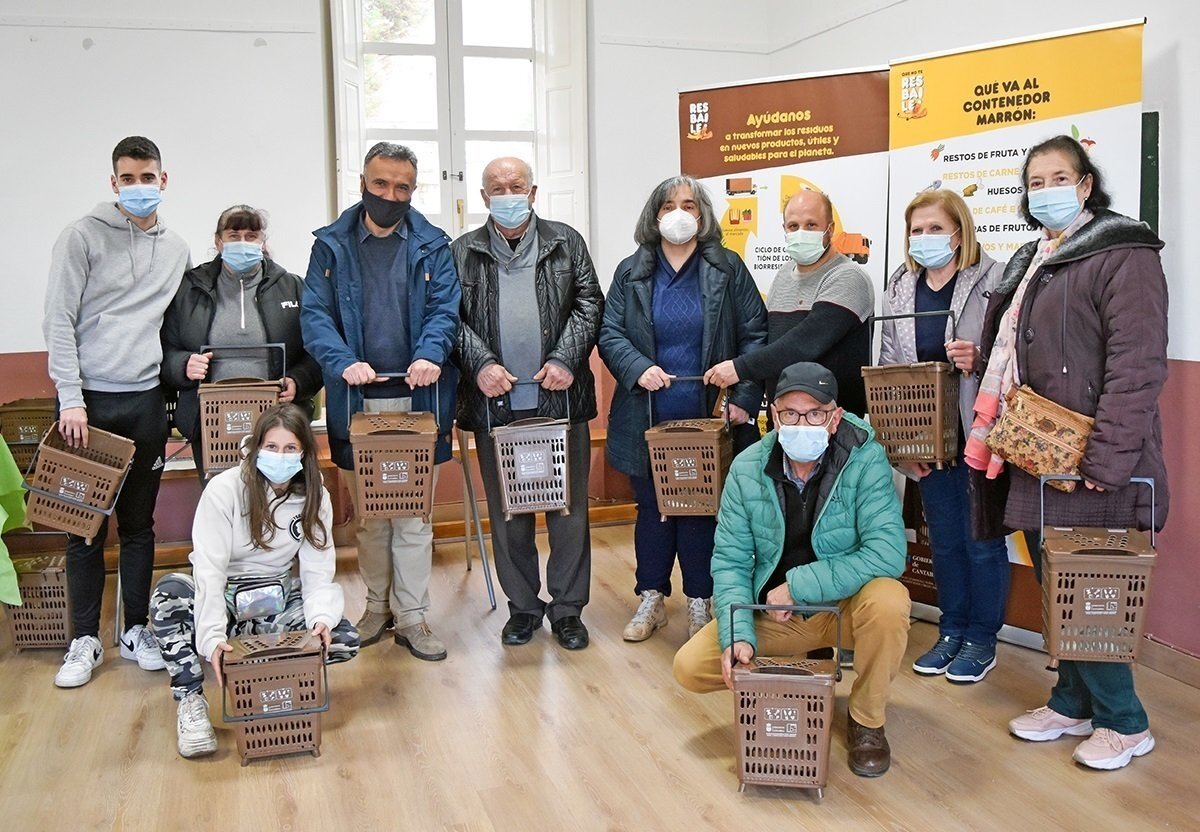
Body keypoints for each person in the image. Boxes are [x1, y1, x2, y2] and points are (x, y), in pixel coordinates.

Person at [964, 135, 1169, 771]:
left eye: (1060, 178)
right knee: (1059, 579)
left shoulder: (1124, 253)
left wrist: (1105, 461)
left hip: (1092, 459)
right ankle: (1072, 700)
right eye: (1035, 181)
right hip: (1040, 450)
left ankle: (1125, 722)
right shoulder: (1036, 257)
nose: (1046, 190)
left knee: (1091, 587)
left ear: (1086, 185)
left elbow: (1137, 364)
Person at [673, 362, 910, 777]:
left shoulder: (865, 457)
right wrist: (738, 635)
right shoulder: (747, 467)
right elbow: (730, 561)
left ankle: (867, 720)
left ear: (835, 417)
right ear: (774, 417)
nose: (803, 424)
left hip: (843, 608)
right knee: (689, 667)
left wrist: (798, 586)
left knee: (890, 602)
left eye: (815, 413)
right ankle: (798, 672)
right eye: (790, 414)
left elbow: (888, 553)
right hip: (777, 615)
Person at [301, 142, 460, 661]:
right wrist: (341, 360)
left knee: (412, 517)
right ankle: (376, 608)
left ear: (413, 190)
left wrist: (431, 353)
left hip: (418, 402)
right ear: (362, 183)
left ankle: (412, 616)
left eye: (402, 188)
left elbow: (445, 310)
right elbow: (314, 316)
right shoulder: (331, 246)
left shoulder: (433, 245)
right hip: (356, 402)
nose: (390, 195)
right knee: (370, 517)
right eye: (380, 184)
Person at [44, 136, 191, 688]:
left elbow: (176, 324)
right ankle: (84, 639)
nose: (138, 187)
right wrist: (71, 398)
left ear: (163, 180)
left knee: (137, 525)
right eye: (128, 179)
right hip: (87, 405)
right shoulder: (80, 236)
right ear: (113, 183)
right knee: (83, 528)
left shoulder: (175, 249)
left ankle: (135, 629)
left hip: (145, 399)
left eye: (147, 177)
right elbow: (58, 320)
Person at [599, 175, 766, 643]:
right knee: (652, 508)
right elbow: (610, 333)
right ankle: (651, 597)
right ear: (654, 216)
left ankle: (699, 600)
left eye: (689, 205)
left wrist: (744, 399)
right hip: (645, 414)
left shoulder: (728, 268)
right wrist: (637, 368)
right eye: (669, 205)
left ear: (702, 214)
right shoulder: (630, 271)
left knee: (700, 510)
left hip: (707, 417)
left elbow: (755, 335)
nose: (679, 213)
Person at [148, 404, 359, 758]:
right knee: (168, 597)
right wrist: (212, 637)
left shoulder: (314, 494)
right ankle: (191, 699)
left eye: (290, 448)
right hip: (227, 596)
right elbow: (209, 571)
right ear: (257, 447)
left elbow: (318, 570)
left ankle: (269, 676)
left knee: (342, 638)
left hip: (273, 598)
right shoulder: (225, 489)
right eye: (272, 447)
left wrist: (320, 618)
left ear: (304, 452)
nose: (280, 456)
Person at [452, 157, 603, 650]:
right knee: (508, 514)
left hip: (560, 401)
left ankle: (567, 610)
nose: (507, 194)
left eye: (516, 186)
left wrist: (565, 357)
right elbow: (448, 318)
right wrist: (479, 363)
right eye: (497, 188)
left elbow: (589, 303)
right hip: (494, 407)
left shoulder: (565, 242)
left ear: (533, 192)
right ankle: (522, 608)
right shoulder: (462, 252)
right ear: (483, 197)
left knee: (568, 513)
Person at [878, 189, 1009, 683]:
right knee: (946, 544)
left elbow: (1014, 356)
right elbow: (890, 369)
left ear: (960, 231)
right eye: (917, 230)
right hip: (926, 443)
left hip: (979, 436)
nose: (925, 238)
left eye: (936, 228)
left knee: (982, 542)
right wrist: (902, 447)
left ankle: (982, 638)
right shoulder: (900, 285)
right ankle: (951, 630)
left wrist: (979, 356)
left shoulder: (994, 279)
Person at [161, 205, 323, 479]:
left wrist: (298, 381)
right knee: (220, 498)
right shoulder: (189, 289)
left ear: (263, 242)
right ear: (218, 242)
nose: (243, 243)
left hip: (277, 424)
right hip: (210, 423)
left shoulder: (294, 287)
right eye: (234, 236)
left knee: (273, 498)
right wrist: (183, 365)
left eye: (251, 236)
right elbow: (164, 351)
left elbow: (317, 353)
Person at [704, 189, 874, 417]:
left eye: (811, 225)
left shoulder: (848, 277)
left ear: (830, 229)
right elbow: (769, 345)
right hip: (783, 422)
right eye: (793, 226)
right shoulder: (783, 275)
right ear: (784, 229)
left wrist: (739, 368)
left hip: (834, 424)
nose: (801, 233)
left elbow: (805, 343)